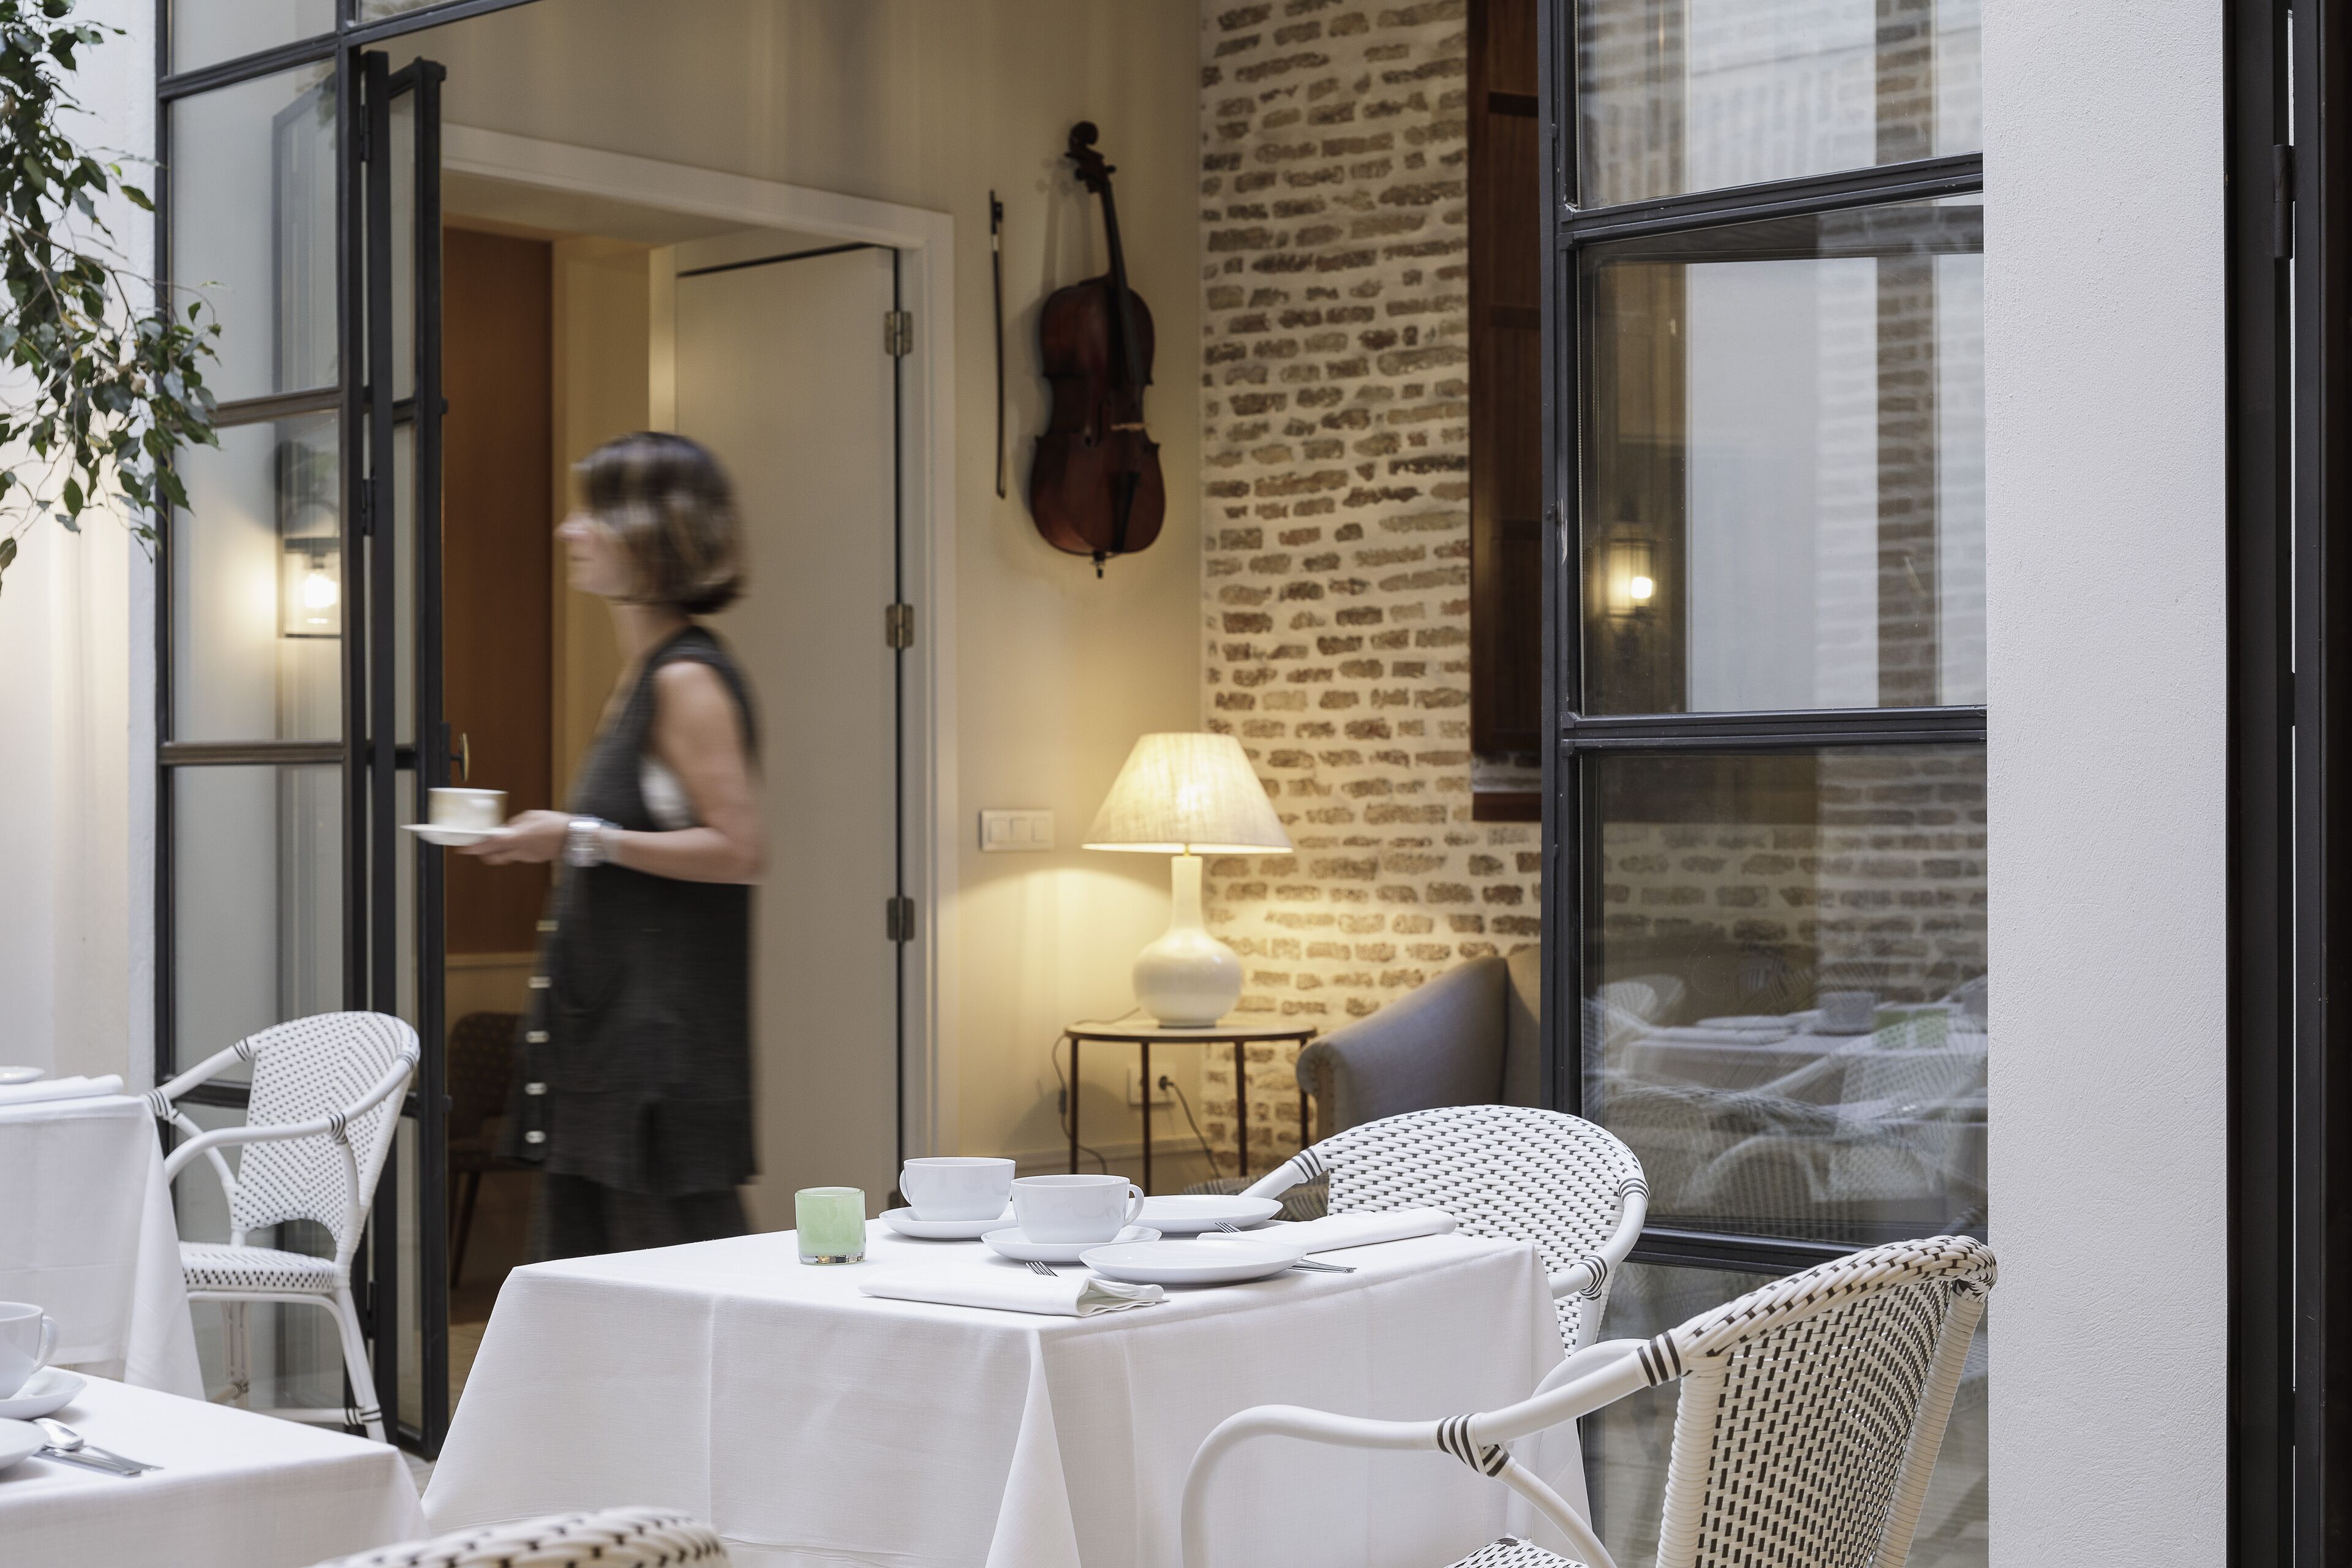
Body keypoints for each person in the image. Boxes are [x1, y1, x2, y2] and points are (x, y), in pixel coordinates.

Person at [467, 431, 764, 1257]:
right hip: (608, 1057)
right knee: (592, 1317)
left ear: (655, 531)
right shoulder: (644, 675)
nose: (569, 530)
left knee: (687, 1315)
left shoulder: (687, 679)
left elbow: (740, 849)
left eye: (592, 512)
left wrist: (580, 837)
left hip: (657, 1075)